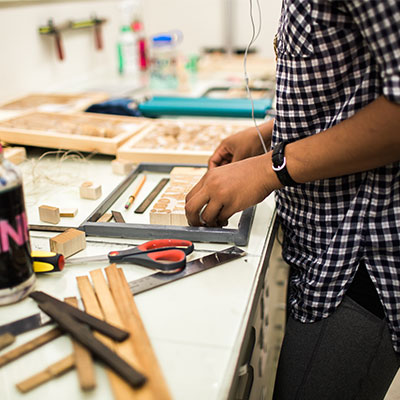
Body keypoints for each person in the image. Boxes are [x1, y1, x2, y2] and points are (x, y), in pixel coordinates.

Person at [185, 1, 400, 399]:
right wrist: (270, 133)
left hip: (359, 257)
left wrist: (270, 168)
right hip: (318, 245)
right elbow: (352, 87)